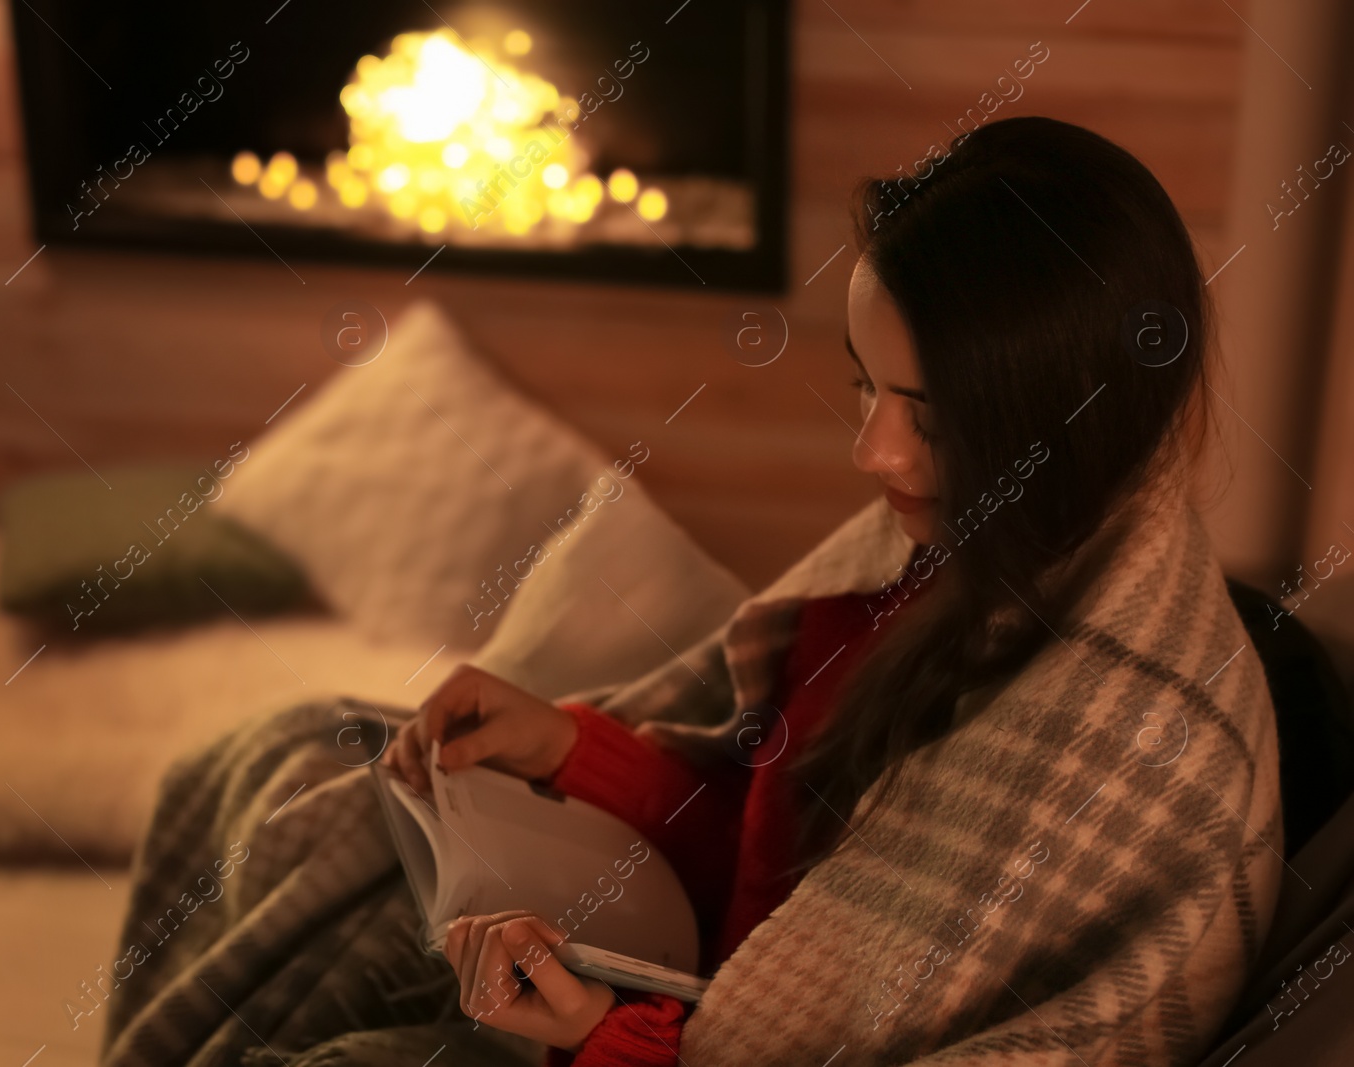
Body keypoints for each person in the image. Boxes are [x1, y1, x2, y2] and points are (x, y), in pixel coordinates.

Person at [382, 115, 1282, 1066]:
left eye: (933, 421)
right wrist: (572, 748)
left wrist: (607, 1039)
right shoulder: (929, 551)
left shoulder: (1133, 749)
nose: (874, 452)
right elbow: (773, 880)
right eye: (866, 388)